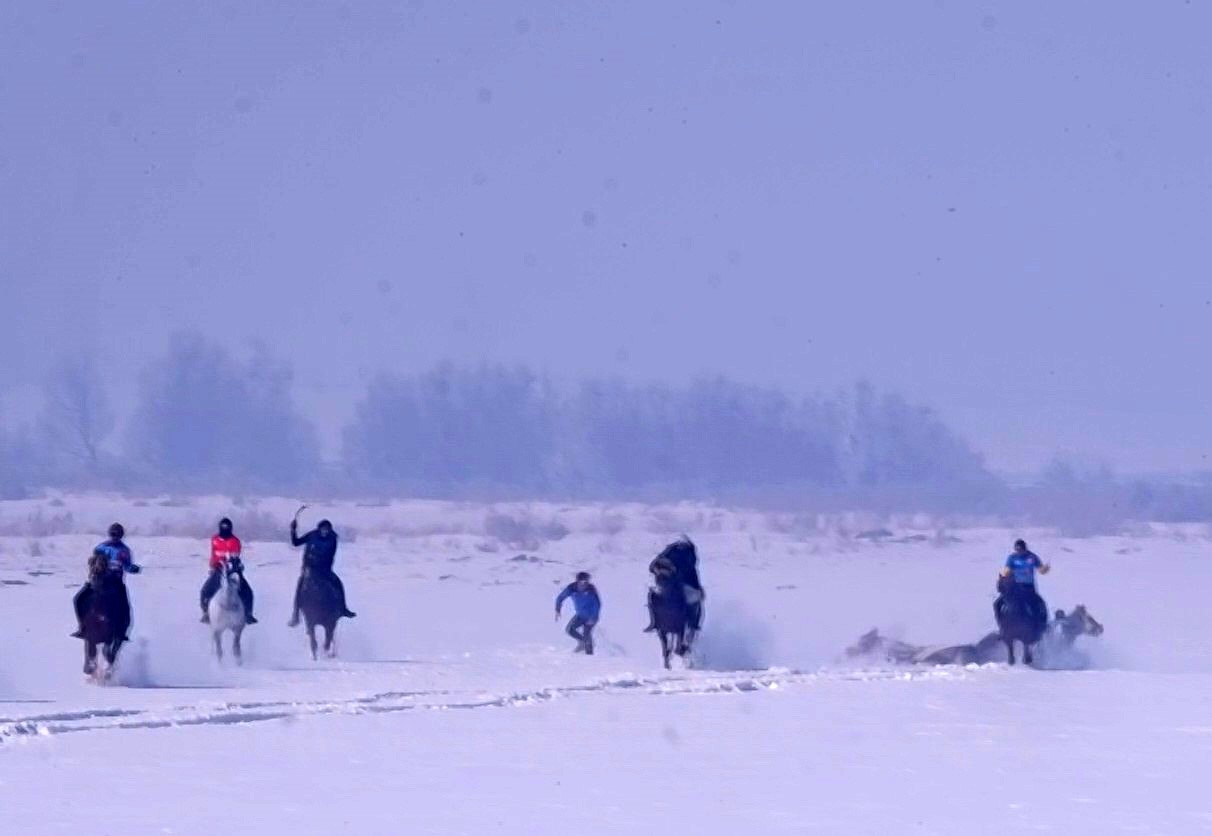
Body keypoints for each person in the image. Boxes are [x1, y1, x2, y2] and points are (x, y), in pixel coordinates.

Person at [72, 522, 141, 638]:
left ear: (121, 536)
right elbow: (92, 562)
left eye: (117, 535)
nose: (115, 537)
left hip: (115, 581)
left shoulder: (124, 551)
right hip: (99, 579)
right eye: (113, 534)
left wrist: (133, 568)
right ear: (109, 534)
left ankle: (122, 631)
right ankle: (82, 626)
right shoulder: (100, 548)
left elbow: (127, 566)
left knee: (125, 608)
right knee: (78, 599)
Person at [288, 518, 356, 627]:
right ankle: (296, 614)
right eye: (323, 529)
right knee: (300, 585)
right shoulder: (312, 535)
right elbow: (296, 542)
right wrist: (293, 530)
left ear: (329, 530)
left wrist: (317, 558)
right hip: (309, 569)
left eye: (327, 530)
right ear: (319, 529)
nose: (325, 531)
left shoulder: (332, 539)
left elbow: (329, 553)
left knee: (338, 583)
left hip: (325, 569)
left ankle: (343, 608)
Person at [199, 517, 257, 624]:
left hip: (233, 570)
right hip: (218, 569)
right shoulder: (215, 540)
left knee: (248, 592)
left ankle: (248, 614)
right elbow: (213, 554)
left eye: (227, 528)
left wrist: (231, 566)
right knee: (205, 591)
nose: (225, 530)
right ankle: (206, 613)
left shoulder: (235, 541)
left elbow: (234, 557)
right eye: (223, 528)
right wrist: (213, 565)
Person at [645, 537, 705, 633]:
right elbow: (653, 566)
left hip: (683, 584)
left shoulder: (688, 558)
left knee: (693, 600)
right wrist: (661, 572)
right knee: (653, 596)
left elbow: (693, 578)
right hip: (668, 584)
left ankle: (692, 624)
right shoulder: (671, 553)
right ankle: (655, 622)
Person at [996, 538, 1050, 627]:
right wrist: (1003, 578)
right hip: (1015, 587)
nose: (1019, 552)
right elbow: (1007, 570)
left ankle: (1039, 625)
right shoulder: (1012, 558)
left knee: (1035, 605)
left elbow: (1040, 569)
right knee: (998, 604)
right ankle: (1001, 626)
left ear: (1025, 549)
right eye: (1017, 550)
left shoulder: (1032, 557)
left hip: (1029, 586)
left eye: (1021, 550)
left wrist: (1045, 569)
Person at [555, 572, 601, 654]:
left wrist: (593, 618)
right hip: (580, 615)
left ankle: (589, 654)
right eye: (582, 582)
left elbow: (597, 605)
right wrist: (558, 609)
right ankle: (583, 643)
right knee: (570, 630)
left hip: (591, 616)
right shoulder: (571, 588)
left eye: (586, 582)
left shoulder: (591, 590)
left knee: (586, 633)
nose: (584, 584)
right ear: (577, 581)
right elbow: (560, 597)